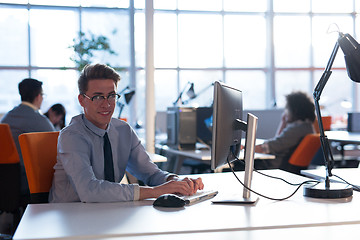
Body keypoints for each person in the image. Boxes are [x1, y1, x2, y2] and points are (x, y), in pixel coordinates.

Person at [49, 63, 204, 203]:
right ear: (82, 100)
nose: (106, 104)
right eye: (97, 97)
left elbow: (150, 173)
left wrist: (176, 181)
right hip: (70, 216)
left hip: (109, 212)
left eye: (111, 96)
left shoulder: (123, 131)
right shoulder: (72, 136)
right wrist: (156, 191)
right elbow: (89, 191)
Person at [1, 78, 55, 195]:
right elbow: (56, 146)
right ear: (38, 96)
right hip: (27, 179)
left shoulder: (6, 118)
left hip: (5, 177)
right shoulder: (41, 121)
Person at [254, 91, 316, 170]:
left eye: (287, 109)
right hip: (285, 167)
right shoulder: (307, 127)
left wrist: (244, 148)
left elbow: (267, 147)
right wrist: (283, 122)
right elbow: (278, 140)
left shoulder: (295, 130)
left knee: (239, 164)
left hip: (273, 167)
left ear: (294, 110)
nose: (285, 112)